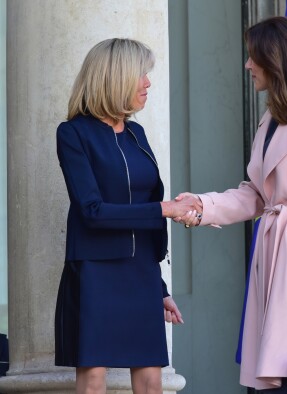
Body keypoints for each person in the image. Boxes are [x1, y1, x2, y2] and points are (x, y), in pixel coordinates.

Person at [176, 16, 287, 393]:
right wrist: (201, 205)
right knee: (277, 376)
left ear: (277, 60)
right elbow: (256, 194)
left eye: (253, 57)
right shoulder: (271, 118)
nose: (247, 66)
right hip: (275, 256)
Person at [54, 38, 195, 394]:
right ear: (115, 78)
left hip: (141, 273)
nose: (147, 83)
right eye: (140, 75)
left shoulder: (137, 134)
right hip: (95, 271)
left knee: (151, 381)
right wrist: (164, 209)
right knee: (93, 379)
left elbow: (145, 207)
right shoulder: (73, 133)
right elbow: (92, 212)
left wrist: (160, 286)